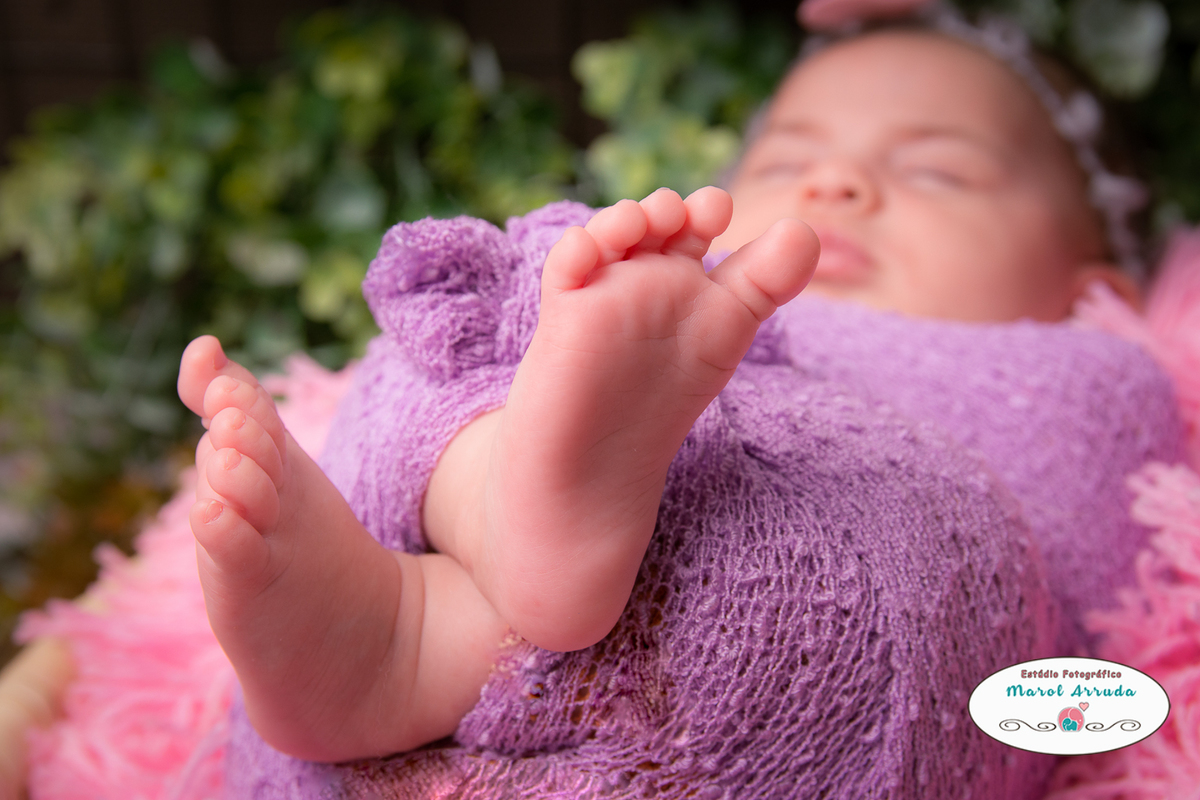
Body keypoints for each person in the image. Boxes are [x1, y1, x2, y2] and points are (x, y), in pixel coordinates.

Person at [172, 10, 1186, 797]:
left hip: (769, 689)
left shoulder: (1086, 371)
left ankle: (451, 622)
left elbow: (1081, 635)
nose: (836, 182)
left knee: (937, 541)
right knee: (445, 348)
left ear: (1092, 289)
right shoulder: (638, 319)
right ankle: (435, 587)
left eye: (938, 170)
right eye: (787, 161)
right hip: (390, 699)